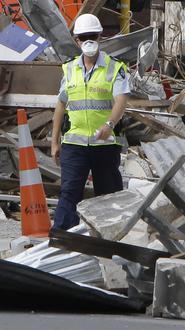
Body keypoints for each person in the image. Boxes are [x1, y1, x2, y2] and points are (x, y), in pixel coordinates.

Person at [50, 14, 130, 233]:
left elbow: (121, 99)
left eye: (92, 36)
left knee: (108, 195)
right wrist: (54, 141)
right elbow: (60, 105)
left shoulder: (115, 68)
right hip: (74, 145)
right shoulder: (69, 69)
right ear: (76, 40)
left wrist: (110, 124)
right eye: (84, 37)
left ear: (100, 37)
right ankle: (62, 240)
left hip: (104, 145)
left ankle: (111, 238)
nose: (88, 41)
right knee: (69, 193)